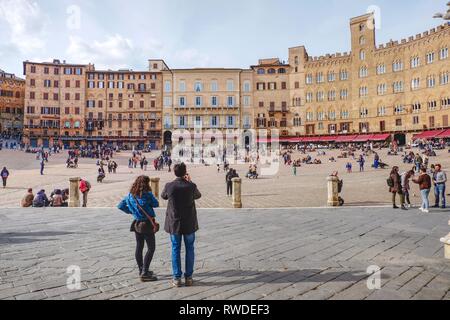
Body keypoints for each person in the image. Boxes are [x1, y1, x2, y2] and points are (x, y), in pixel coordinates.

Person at [161, 163, 201, 288]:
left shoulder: (169, 186)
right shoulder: (191, 186)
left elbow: (163, 196)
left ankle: (177, 278)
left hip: (175, 223)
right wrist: (190, 181)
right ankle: (188, 277)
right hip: (189, 222)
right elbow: (198, 195)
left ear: (174, 172)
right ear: (185, 172)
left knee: (175, 249)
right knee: (190, 248)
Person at [118, 176, 160, 282]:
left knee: (139, 247)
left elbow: (120, 206)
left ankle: (141, 269)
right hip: (146, 224)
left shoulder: (130, 195)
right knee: (151, 248)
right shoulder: (147, 194)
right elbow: (156, 204)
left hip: (136, 223)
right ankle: (145, 272)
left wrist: (131, 211)